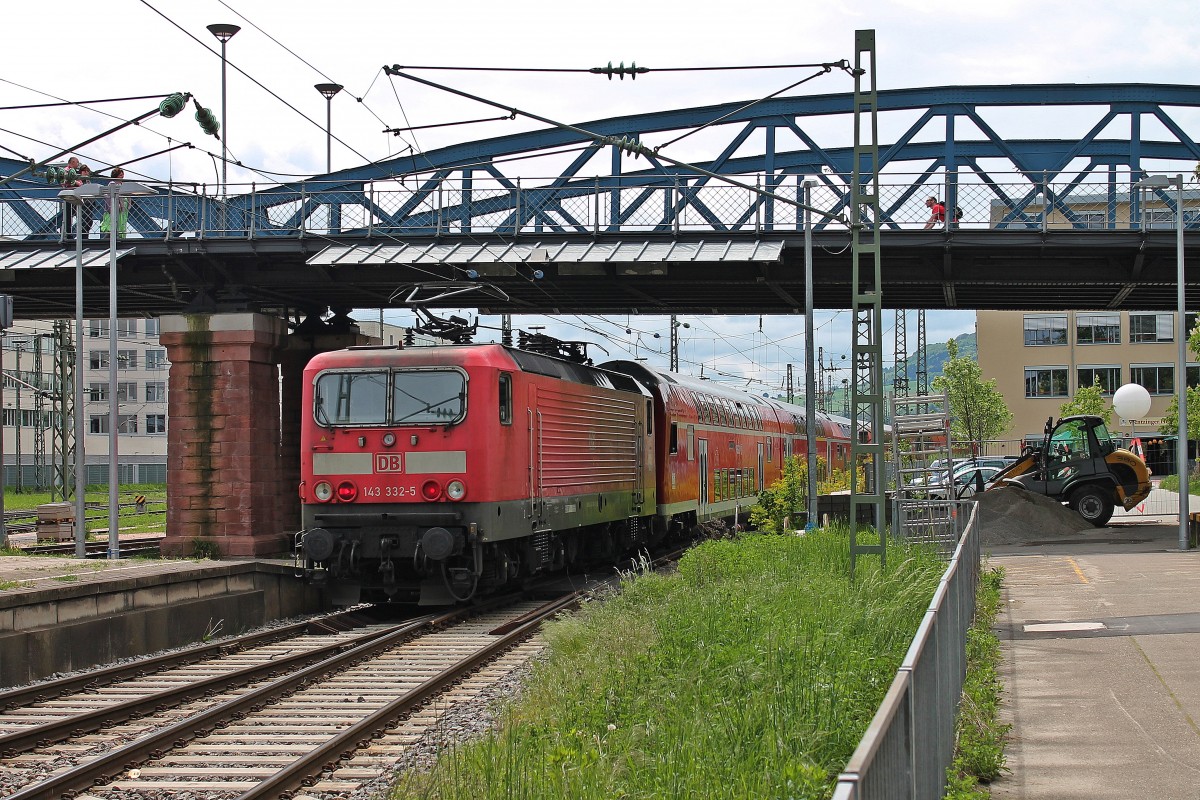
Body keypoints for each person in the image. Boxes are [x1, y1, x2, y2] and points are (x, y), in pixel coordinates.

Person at [100, 167, 129, 237]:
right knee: (113, 224)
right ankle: (113, 236)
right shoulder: (112, 184)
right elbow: (109, 196)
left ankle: (120, 235)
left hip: (123, 209)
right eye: (120, 175)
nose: (122, 176)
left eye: (122, 175)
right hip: (115, 208)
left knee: (121, 223)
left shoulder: (123, 184)